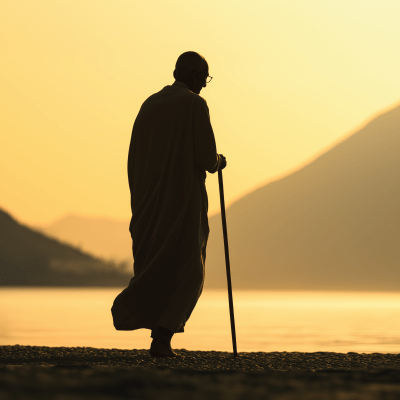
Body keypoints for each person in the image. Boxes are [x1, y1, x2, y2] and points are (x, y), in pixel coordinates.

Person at [111, 51, 227, 357]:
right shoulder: (194, 104)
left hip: (148, 198)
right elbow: (205, 157)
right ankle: (162, 336)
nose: (205, 83)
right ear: (191, 74)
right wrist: (218, 162)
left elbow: (135, 153)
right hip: (182, 199)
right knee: (190, 269)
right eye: (204, 76)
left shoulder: (150, 104)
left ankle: (157, 332)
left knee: (155, 263)